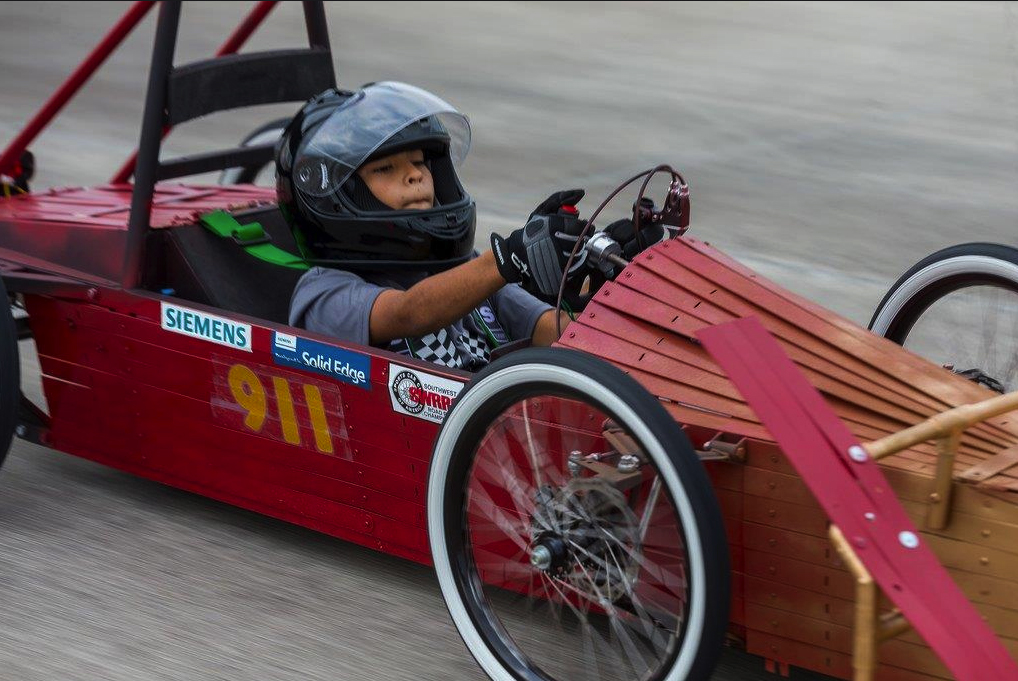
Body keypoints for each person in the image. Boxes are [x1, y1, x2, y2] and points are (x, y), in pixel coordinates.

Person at [277, 82, 591, 371]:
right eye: (386, 167)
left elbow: (545, 327)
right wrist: (508, 257)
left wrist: (591, 290)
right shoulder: (324, 294)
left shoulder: (463, 267)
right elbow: (408, 312)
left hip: (496, 412)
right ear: (338, 193)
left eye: (419, 162)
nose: (416, 175)